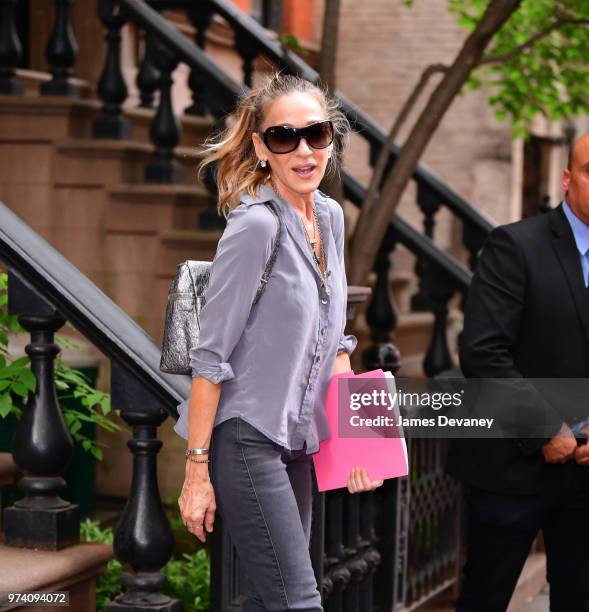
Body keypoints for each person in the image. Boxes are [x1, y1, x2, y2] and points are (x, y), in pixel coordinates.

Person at [174, 73, 383, 612]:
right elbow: (210, 357)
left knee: (274, 600)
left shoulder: (331, 218)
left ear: (332, 140)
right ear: (262, 148)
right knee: (299, 601)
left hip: (298, 441)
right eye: (285, 137)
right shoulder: (254, 228)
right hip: (246, 438)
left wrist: (358, 437)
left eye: (316, 134)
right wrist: (197, 472)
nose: (304, 150)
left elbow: (335, 342)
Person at [446, 133, 589, 612]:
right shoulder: (515, 245)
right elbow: (484, 353)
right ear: (568, 179)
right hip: (513, 468)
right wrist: (546, 428)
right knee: (485, 600)